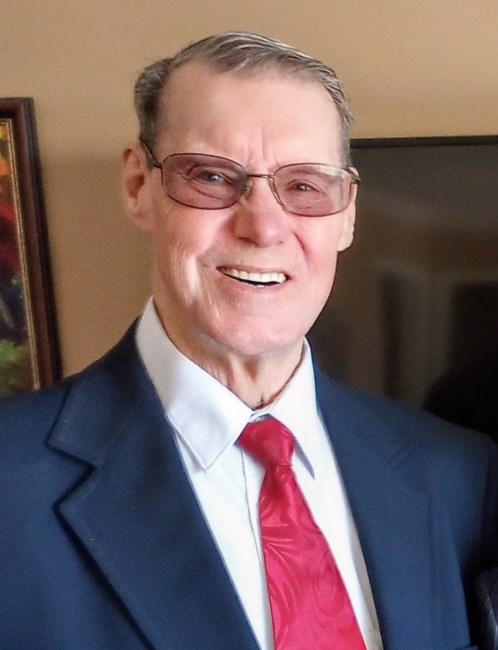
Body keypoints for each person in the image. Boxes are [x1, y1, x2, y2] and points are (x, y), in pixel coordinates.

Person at [0, 31, 497, 650]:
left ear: (347, 213)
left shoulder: (458, 474)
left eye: (305, 185)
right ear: (137, 186)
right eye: (212, 177)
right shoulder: (11, 483)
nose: (263, 227)